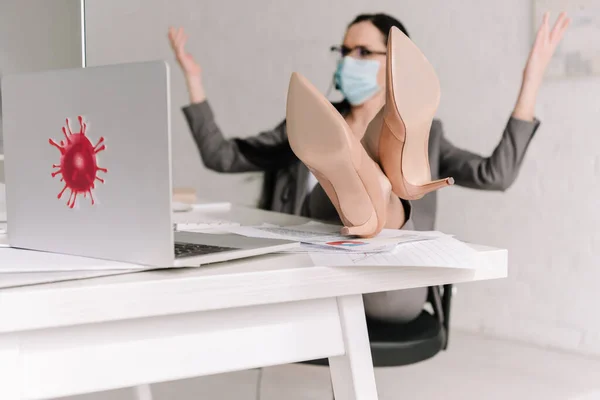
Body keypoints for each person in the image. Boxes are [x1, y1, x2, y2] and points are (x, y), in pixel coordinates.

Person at [167, 12, 569, 323]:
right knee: (335, 191)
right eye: (343, 51)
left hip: (391, 282)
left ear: (391, 61)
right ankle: (371, 176)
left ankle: (372, 181)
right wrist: (194, 81)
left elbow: (494, 174)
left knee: (378, 207)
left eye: (362, 52)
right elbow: (220, 156)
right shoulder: (311, 125)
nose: (348, 60)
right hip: (312, 273)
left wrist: (531, 80)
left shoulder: (427, 136)